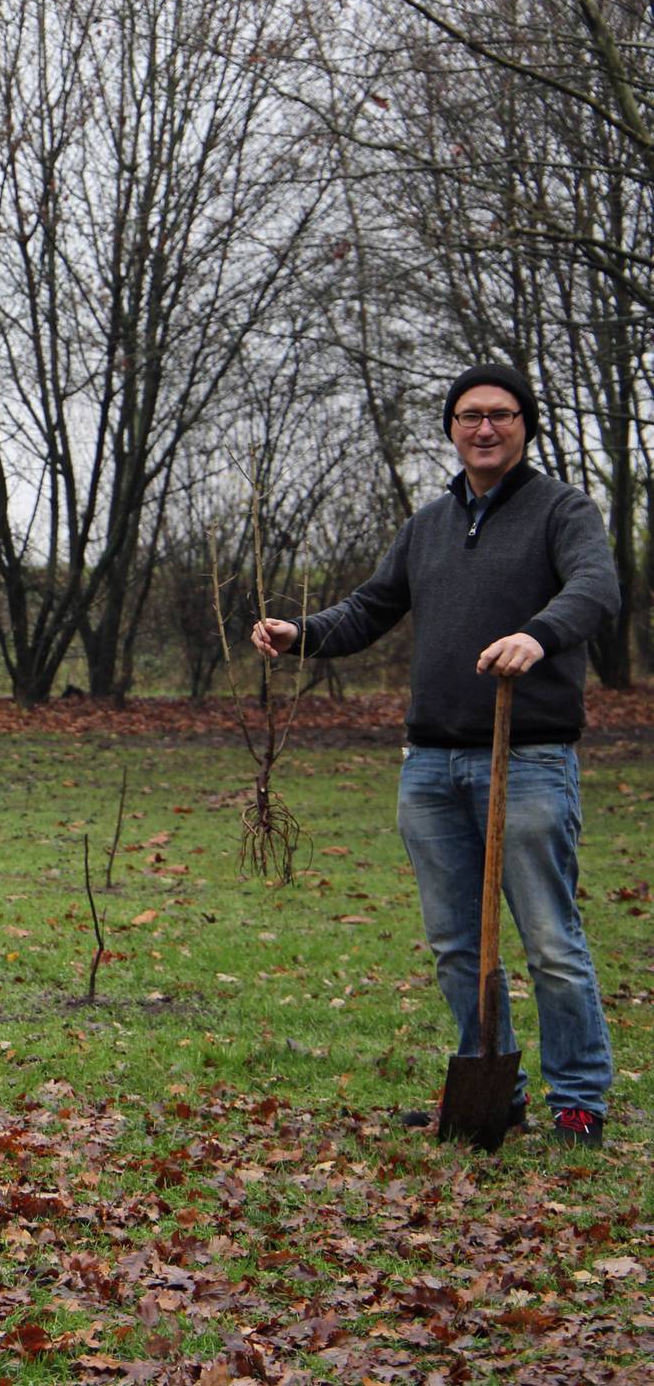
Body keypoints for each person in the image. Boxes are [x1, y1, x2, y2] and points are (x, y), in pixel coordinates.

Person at [251, 364, 619, 1147]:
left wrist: (538, 634)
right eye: (469, 416)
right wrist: (302, 632)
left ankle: (578, 1099)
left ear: (526, 424)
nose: (484, 429)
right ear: (451, 428)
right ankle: (491, 1088)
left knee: (551, 942)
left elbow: (597, 587)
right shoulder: (427, 526)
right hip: (431, 766)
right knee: (458, 944)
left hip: (527, 758)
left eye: (501, 414)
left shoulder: (564, 511)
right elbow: (372, 607)